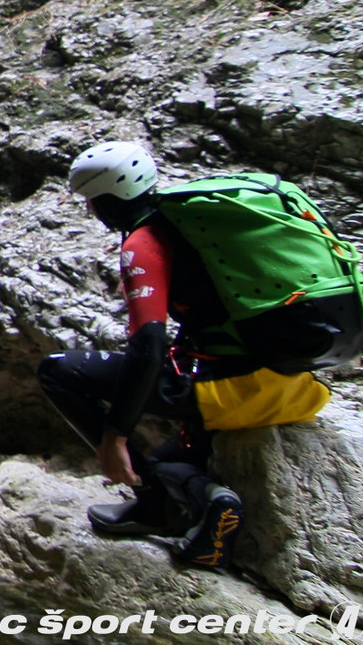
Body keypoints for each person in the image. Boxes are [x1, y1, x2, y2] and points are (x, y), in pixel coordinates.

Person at [38, 141, 331, 569]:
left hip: (226, 391)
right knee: (161, 465)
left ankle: (155, 506)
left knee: (57, 371)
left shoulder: (144, 241)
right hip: (290, 385)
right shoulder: (194, 226)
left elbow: (148, 344)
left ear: (108, 201)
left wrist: (114, 437)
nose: (91, 212)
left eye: (92, 203)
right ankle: (211, 506)